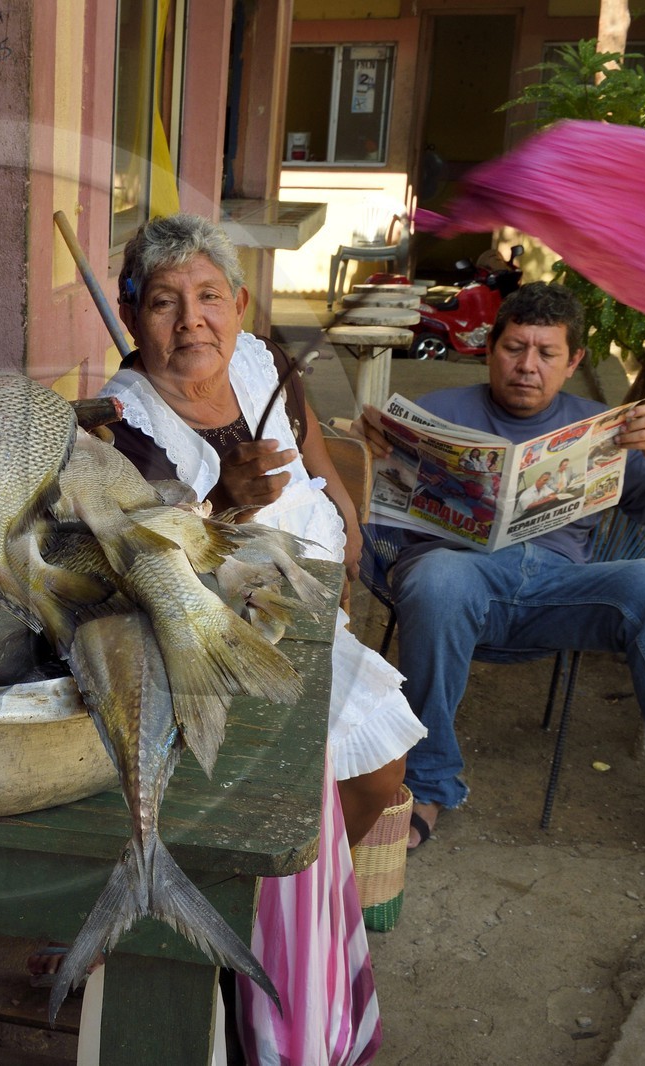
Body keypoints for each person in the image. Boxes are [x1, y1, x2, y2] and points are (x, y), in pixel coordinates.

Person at [98, 213, 427, 1065]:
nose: (191, 321)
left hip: (314, 610)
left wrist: (346, 515)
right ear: (133, 316)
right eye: (164, 302)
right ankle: (258, 931)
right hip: (216, 642)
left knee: (383, 775)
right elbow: (147, 572)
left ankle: (291, 908)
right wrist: (222, 508)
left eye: (209, 297)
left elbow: (313, 452)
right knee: (314, 788)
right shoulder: (121, 424)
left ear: (240, 304)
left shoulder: (264, 360)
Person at [353, 282, 645, 876]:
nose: (527, 366)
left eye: (547, 354)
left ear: (572, 362)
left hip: (558, 589)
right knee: (440, 577)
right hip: (453, 580)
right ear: (490, 349)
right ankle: (426, 783)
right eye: (515, 348)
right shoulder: (435, 412)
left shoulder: (603, 429)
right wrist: (365, 452)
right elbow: (359, 501)